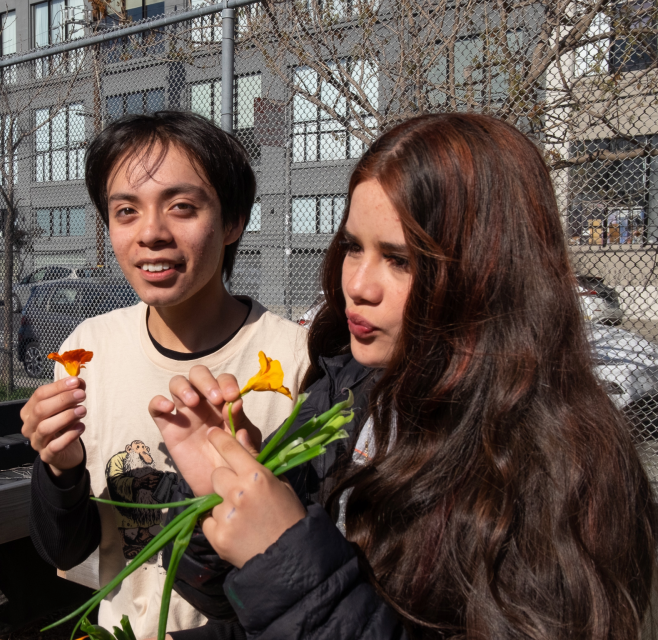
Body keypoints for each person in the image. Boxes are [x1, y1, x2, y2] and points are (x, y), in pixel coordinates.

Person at [150, 113, 658, 639]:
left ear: (487, 272)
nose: (358, 286)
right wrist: (223, 496)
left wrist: (286, 563)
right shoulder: (346, 391)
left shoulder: (560, 469)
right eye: (352, 247)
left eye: (400, 260)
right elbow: (247, 610)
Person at [20, 111, 308, 639]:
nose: (151, 233)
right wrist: (60, 467)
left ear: (234, 221)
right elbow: (63, 549)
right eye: (125, 211)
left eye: (181, 207)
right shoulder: (88, 350)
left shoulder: (296, 361)